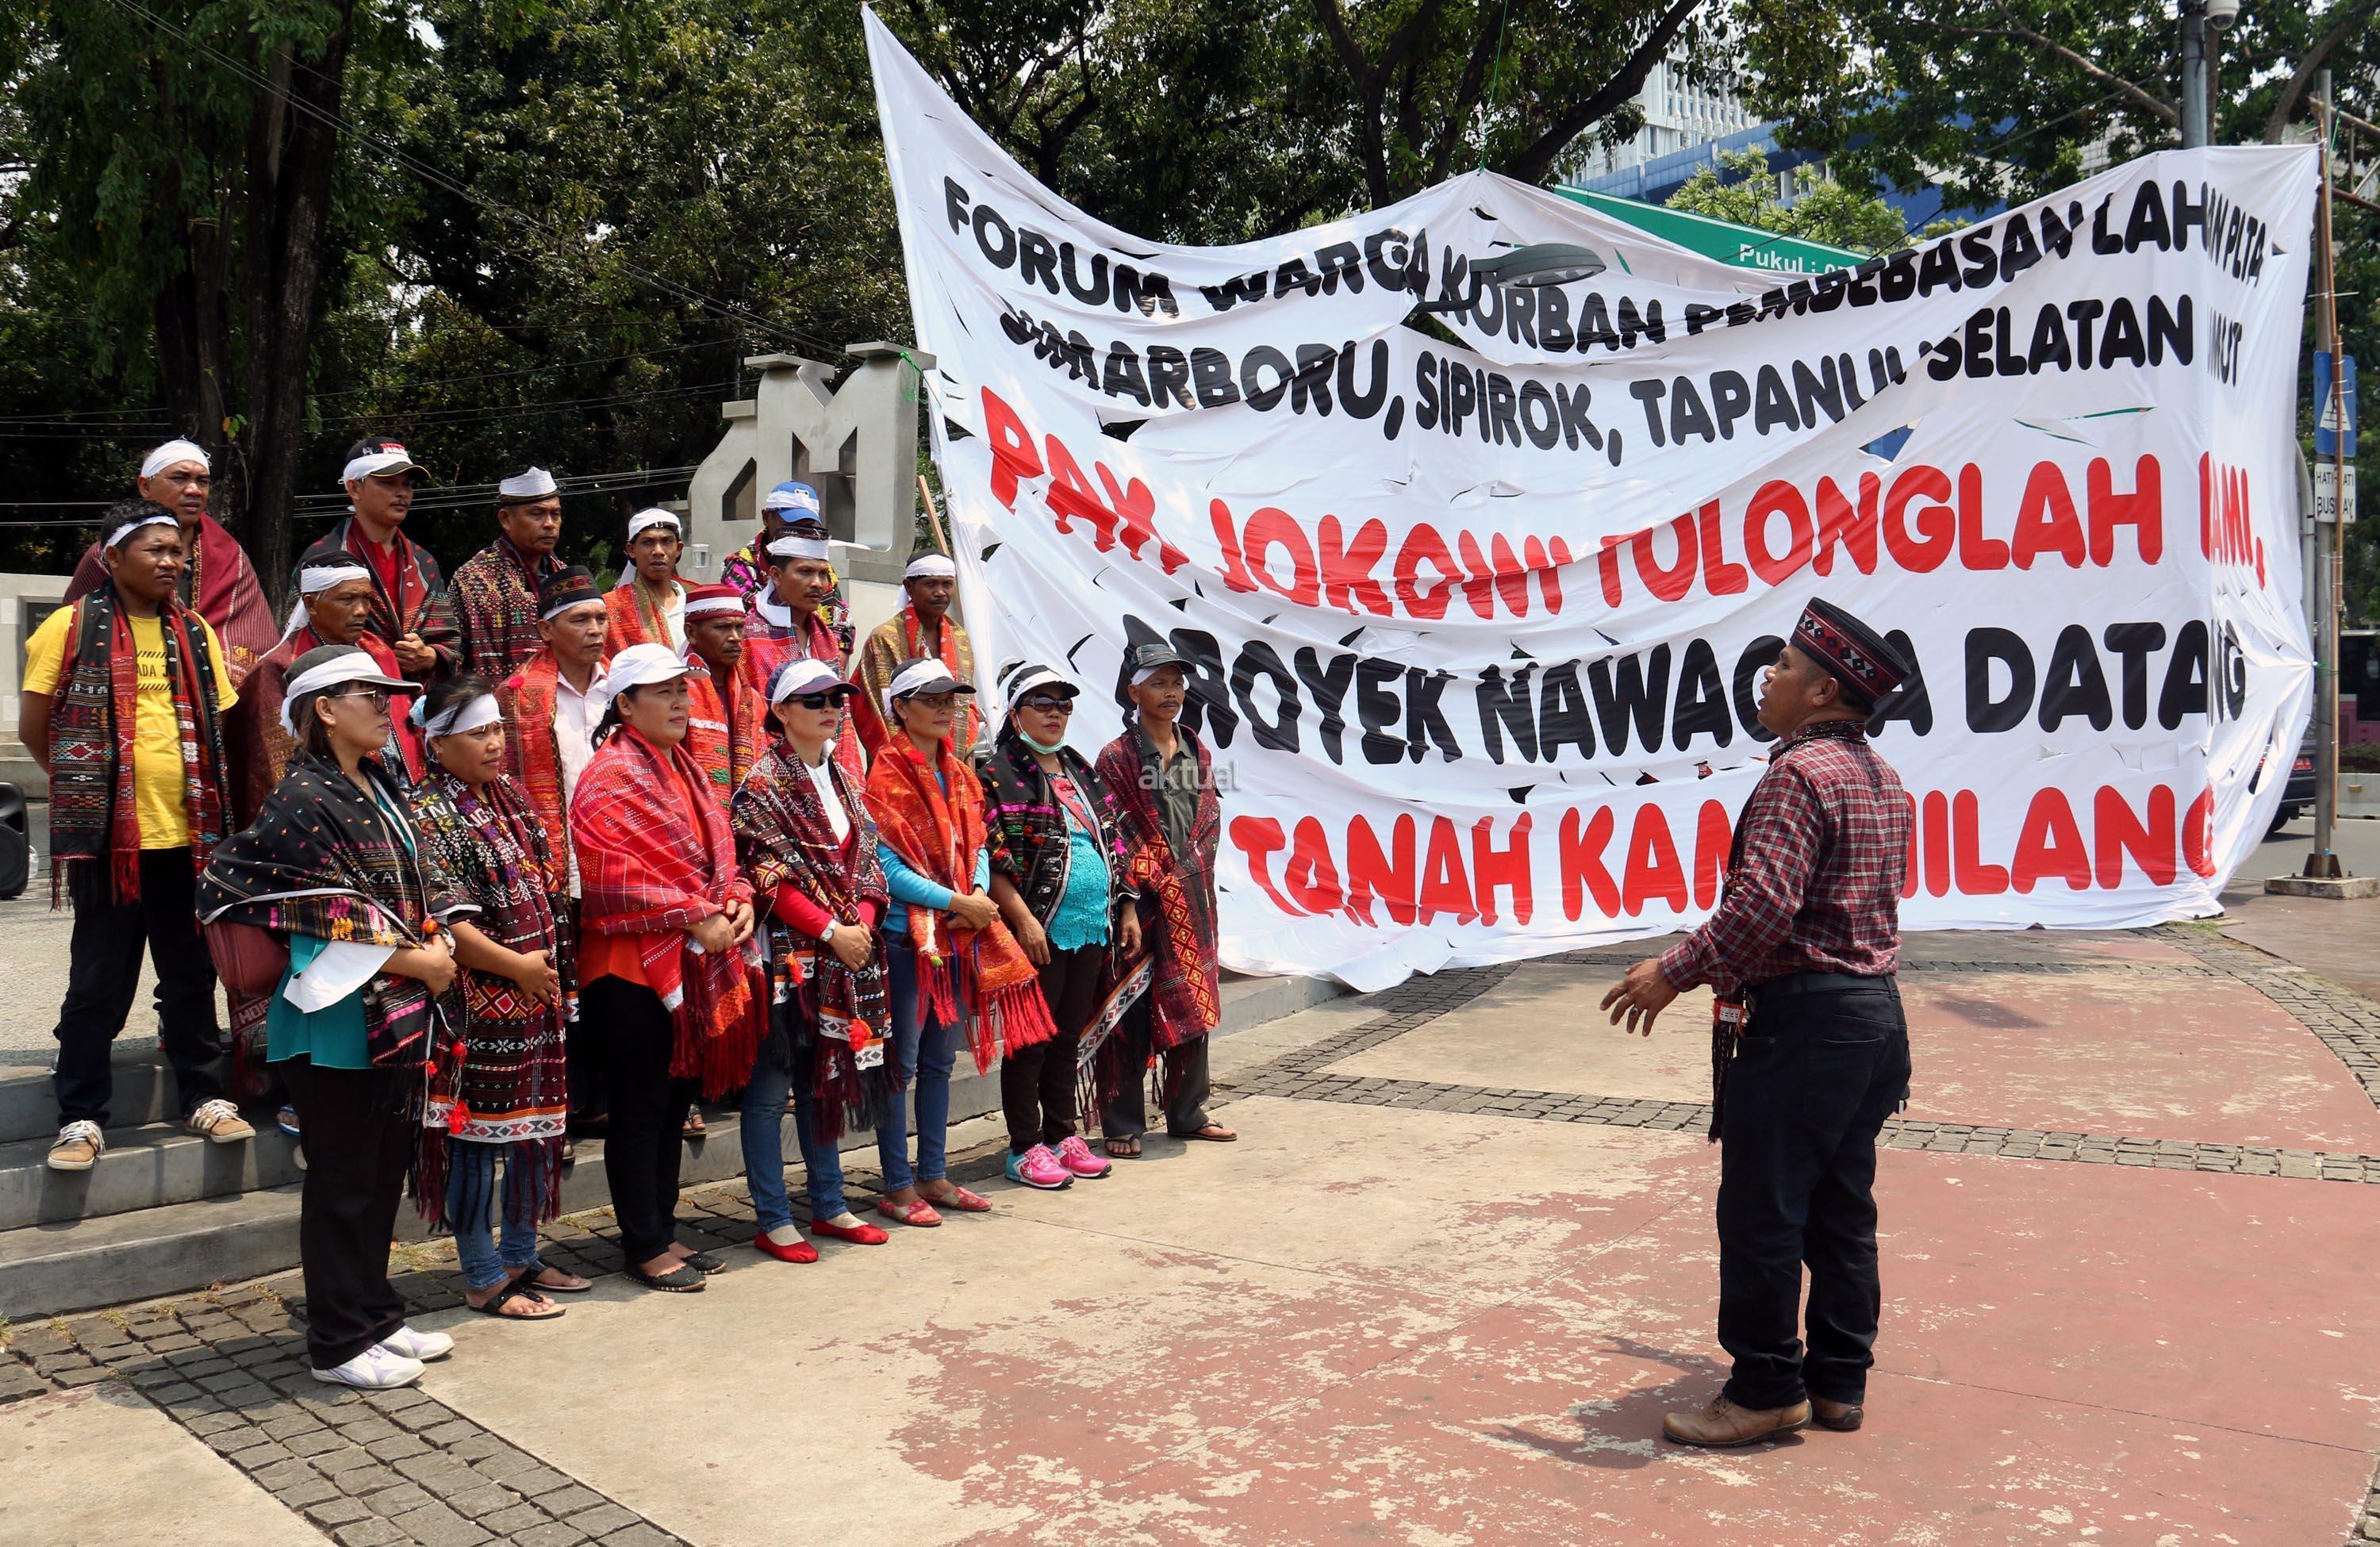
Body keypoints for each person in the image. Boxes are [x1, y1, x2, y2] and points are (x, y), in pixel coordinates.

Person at [1601, 598, 1914, 1449]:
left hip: (1808, 1025)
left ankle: (1767, 1388)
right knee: (1841, 1209)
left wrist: (1672, 972)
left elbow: (1763, 908)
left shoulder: (1798, 777)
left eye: (1783, 667)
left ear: (1821, 693)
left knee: (1762, 1214)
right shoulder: (1882, 777)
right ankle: (1839, 1383)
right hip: (1873, 1019)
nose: (1768, 678)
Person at [195, 645, 471, 1388]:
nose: (386, 707)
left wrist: (440, 938)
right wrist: (418, 960)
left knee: (380, 1175)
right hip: (331, 1018)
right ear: (324, 708)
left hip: (391, 1013)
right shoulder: (301, 798)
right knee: (342, 1181)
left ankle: (375, 1314)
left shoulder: (378, 782)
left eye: (388, 695)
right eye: (368, 695)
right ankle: (337, 1342)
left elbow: (421, 880)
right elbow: (310, 912)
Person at [25, 501, 251, 1170]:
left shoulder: (194, 631)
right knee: (98, 983)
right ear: (113, 557)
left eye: (177, 552)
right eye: (155, 549)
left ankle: (205, 1097)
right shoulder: (71, 627)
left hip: (189, 841)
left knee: (189, 976)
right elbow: (35, 725)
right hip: (108, 845)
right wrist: (85, 791)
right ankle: (81, 1118)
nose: (170, 562)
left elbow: (218, 727)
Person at [569, 643, 764, 1292]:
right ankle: (643, 1243)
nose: (681, 702)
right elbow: (612, 879)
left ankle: (663, 1226)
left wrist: (735, 899)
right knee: (639, 1108)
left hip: (688, 961)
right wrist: (696, 914)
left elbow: (720, 852)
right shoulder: (608, 776)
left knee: (674, 1101)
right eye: (664, 692)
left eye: (682, 689)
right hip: (627, 971)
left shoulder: (687, 768)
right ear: (625, 705)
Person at [405, 675, 589, 1320]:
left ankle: (519, 1255)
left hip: (534, 998)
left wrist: (542, 975)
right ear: (437, 744)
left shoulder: (508, 794)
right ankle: (483, 1276)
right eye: (476, 733)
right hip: (478, 1008)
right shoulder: (428, 812)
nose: (493, 743)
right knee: (478, 1142)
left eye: (496, 730)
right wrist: (518, 968)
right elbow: (447, 923)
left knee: (534, 1134)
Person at [866, 656, 1056, 1225]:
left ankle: (934, 1173)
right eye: (932, 700)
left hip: (955, 936)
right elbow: (887, 869)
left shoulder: (960, 772)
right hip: (909, 939)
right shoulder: (885, 775)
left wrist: (974, 892)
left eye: (951, 700)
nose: (946, 710)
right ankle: (898, 1185)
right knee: (902, 1063)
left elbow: (978, 845)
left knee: (939, 1062)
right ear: (901, 708)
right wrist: (959, 902)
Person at [728, 657, 902, 1261]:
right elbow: (766, 874)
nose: (830, 709)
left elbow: (870, 865)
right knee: (770, 1091)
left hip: (845, 955)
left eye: (836, 699)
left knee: (823, 1082)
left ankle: (829, 1204)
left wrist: (861, 929)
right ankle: (774, 1218)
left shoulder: (847, 779)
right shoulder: (761, 786)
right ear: (779, 711)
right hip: (790, 962)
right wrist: (833, 930)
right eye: (815, 700)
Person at [980, 666, 1142, 1189]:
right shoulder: (997, 772)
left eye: (1063, 704)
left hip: (1091, 925)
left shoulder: (1079, 767)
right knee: (1031, 1041)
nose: (1055, 713)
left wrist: (1126, 909)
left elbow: (1114, 839)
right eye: (1043, 703)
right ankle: (1024, 1147)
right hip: (1039, 928)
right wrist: (1023, 920)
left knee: (1067, 1037)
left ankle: (1061, 1136)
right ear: (1015, 713)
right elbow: (992, 857)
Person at [1092, 644, 1230, 1156]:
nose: (1171, 692)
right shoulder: (1117, 757)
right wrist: (1132, 897)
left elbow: (1208, 822)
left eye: (1177, 682)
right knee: (1129, 1006)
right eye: (1158, 683)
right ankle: (1123, 1122)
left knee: (1193, 997)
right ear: (1134, 692)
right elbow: (1113, 832)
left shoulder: (1196, 750)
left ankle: (1188, 1111)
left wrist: (1184, 876)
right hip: (1139, 902)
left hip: (1190, 897)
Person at [504, 567, 609, 1134]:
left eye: (600, 618)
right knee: (566, 989)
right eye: (580, 620)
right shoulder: (518, 696)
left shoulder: (625, 687)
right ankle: (566, 1106)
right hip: (557, 867)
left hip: (621, 864)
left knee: (614, 986)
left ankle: (608, 1097)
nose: (595, 630)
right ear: (546, 630)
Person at [63, 439, 278, 685]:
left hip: (216, 702)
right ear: (145, 486)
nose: (194, 490)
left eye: (203, 482)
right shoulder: (108, 556)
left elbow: (255, 647)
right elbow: (72, 638)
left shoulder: (231, 558)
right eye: (179, 478)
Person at [231, 563, 426, 826]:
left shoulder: (378, 651)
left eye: (366, 598)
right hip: (327, 809)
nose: (361, 610)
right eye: (347, 599)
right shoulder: (279, 667)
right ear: (311, 604)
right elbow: (274, 765)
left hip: (393, 795)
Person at [292, 438, 459, 686]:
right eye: (388, 483)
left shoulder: (423, 562)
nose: (402, 493)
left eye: (407, 484)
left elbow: (448, 640)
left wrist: (429, 656)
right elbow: (298, 637)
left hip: (418, 698)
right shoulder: (321, 558)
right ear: (354, 488)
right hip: (346, 691)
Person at [846, 551, 981, 760]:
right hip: (900, 760)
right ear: (909, 587)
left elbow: (965, 703)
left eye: (947, 584)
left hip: (955, 758)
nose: (940, 592)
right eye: (930, 584)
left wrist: (966, 756)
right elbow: (879, 707)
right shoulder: (885, 638)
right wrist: (911, 761)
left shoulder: (960, 637)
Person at [448, 467, 570, 681]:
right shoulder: (471, 580)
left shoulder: (566, 576)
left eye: (555, 514)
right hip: (494, 699)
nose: (549, 524)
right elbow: (452, 656)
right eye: (537, 514)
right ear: (506, 519)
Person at [681, 584, 764, 805]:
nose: (735, 637)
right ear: (691, 633)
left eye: (739, 627)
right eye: (722, 628)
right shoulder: (676, 693)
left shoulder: (752, 700)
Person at [605, 508, 689, 654]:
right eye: (647, 542)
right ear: (631, 550)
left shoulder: (698, 599)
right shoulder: (611, 607)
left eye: (667, 541)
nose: (658, 551)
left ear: (679, 548)